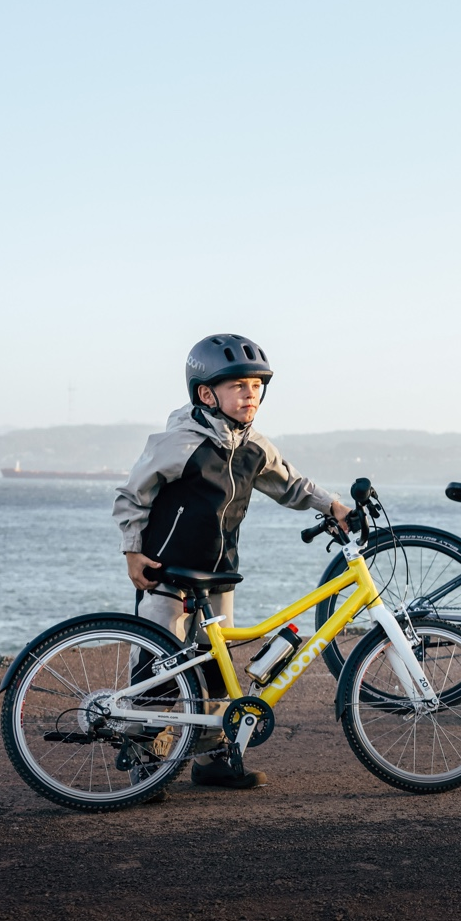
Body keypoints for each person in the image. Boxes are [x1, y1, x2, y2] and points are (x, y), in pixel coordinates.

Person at [114, 334, 350, 791]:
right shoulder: (178, 442)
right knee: (157, 667)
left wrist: (333, 505)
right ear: (206, 394)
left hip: (219, 575)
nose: (251, 394)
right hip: (166, 572)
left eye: (257, 386)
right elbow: (132, 495)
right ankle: (143, 757)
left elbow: (293, 485)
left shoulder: (253, 446)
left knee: (215, 667)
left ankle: (212, 757)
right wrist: (131, 550)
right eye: (239, 386)